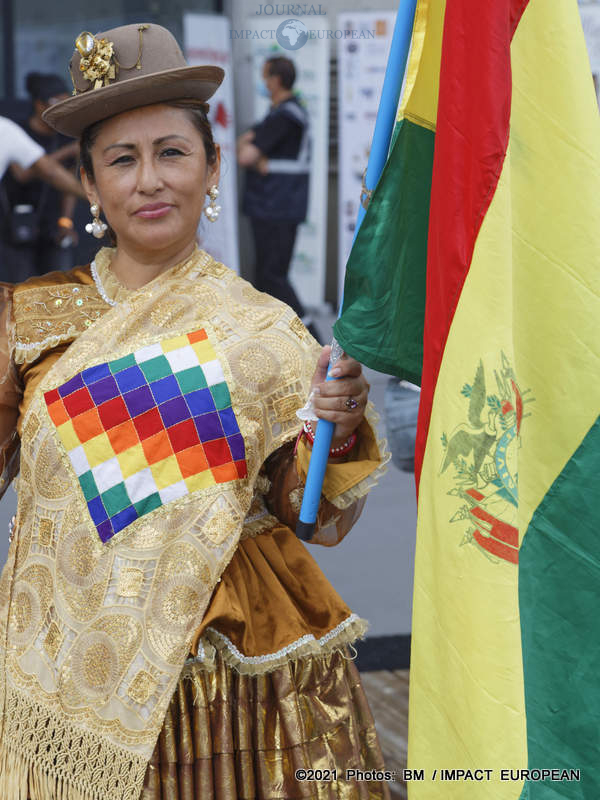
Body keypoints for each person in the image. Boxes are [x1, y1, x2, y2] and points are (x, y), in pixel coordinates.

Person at [0, 24, 389, 800]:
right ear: (91, 183)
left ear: (211, 168)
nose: (150, 180)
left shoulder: (265, 329)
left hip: (231, 696)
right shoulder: (29, 319)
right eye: (122, 159)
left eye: (172, 153)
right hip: (65, 683)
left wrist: (336, 425)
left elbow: (313, 513)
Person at [238, 56, 321, 341]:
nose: (263, 82)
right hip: (274, 206)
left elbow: (244, 154)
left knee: (273, 276)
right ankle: (276, 339)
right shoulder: (281, 113)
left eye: (265, 76)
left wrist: (254, 151)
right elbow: (246, 149)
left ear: (275, 80)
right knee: (267, 277)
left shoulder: (284, 117)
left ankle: (310, 335)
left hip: (276, 205)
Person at [0, 73, 81, 281]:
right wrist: (68, 151)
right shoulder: (16, 130)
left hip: (52, 225)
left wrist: (66, 221)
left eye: (66, 103)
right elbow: (23, 173)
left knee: (59, 286)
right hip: (16, 224)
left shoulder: (65, 135)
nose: (62, 109)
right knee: (21, 288)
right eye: (56, 102)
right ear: (39, 104)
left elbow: (69, 184)